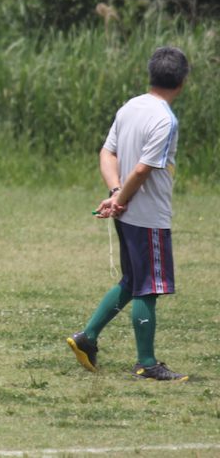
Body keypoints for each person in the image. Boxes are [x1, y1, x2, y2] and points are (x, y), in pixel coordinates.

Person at [67, 46, 190, 381]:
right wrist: (119, 197)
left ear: (151, 74)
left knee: (132, 281)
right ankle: (147, 363)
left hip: (127, 213)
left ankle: (86, 338)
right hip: (148, 215)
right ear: (182, 81)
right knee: (147, 288)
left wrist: (114, 194)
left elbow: (107, 153)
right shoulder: (165, 119)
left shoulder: (130, 106)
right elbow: (142, 169)